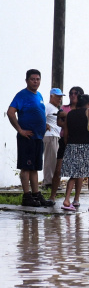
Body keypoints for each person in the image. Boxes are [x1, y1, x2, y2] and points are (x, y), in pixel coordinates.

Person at [7, 69, 52, 207]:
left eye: (38, 79)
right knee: (26, 167)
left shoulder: (39, 95)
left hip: (38, 137)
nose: (35, 81)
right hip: (27, 137)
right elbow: (10, 112)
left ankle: (35, 194)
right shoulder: (22, 95)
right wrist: (20, 130)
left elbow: (37, 113)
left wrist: (44, 124)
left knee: (35, 167)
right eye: (33, 79)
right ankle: (26, 196)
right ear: (27, 80)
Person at [61, 94, 89, 211]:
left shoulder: (70, 114)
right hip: (87, 146)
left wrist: (67, 145)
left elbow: (66, 133)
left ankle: (67, 199)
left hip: (71, 146)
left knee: (74, 174)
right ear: (88, 103)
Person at [42, 88, 63, 192]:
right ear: (51, 96)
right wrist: (44, 125)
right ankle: (48, 182)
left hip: (55, 135)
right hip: (50, 135)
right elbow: (41, 117)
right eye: (57, 96)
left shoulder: (55, 108)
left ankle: (51, 181)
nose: (59, 99)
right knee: (50, 160)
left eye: (60, 97)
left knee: (54, 160)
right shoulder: (48, 107)